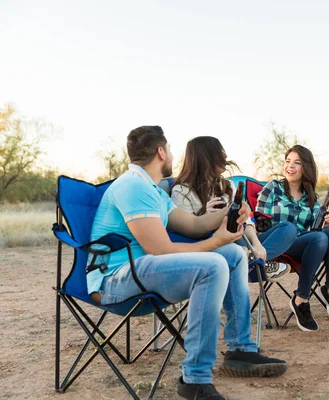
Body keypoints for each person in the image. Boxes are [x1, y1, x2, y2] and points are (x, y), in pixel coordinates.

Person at [87, 126, 287, 400]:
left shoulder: (153, 191)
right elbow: (160, 249)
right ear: (161, 151)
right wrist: (215, 242)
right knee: (213, 264)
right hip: (115, 278)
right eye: (169, 149)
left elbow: (193, 224)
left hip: (143, 269)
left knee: (234, 254)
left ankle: (241, 350)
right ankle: (195, 378)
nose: (172, 155)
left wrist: (229, 213)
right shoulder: (132, 186)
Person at [170, 136, 297, 281]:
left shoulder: (228, 186)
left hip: (242, 241)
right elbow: (187, 230)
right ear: (207, 158)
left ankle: (253, 263)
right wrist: (206, 216)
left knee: (288, 229)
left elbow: (246, 219)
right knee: (228, 229)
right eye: (220, 152)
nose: (225, 156)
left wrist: (256, 244)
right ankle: (255, 266)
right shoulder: (182, 191)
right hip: (214, 245)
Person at [256, 145, 329, 332]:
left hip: (299, 243)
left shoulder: (310, 196)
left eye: (297, 163)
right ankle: (302, 299)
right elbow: (258, 221)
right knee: (318, 238)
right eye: (288, 161)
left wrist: (325, 222)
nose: (290, 166)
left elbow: (315, 228)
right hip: (276, 242)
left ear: (306, 167)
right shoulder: (273, 187)